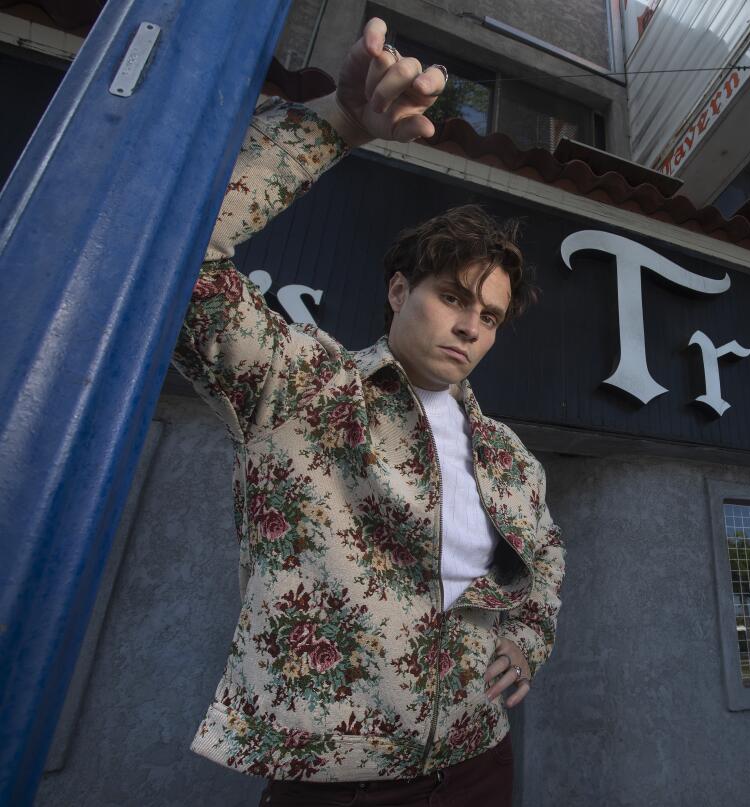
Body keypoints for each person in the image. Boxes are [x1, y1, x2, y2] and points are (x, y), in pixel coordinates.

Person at [172, 17, 564, 806]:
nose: (468, 326)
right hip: (334, 784)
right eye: (452, 297)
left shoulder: (506, 453)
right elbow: (179, 256)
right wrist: (338, 124)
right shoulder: (303, 387)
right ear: (398, 291)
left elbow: (542, 559)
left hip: (477, 760)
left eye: (488, 316)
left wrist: (528, 638)